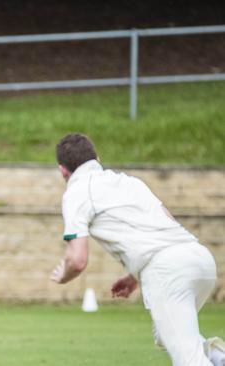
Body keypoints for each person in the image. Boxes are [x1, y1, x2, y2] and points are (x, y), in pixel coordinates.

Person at [49, 133, 225, 365]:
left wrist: (64, 274)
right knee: (166, 334)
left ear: (63, 170)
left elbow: (78, 259)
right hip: (199, 259)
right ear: (97, 159)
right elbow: (168, 222)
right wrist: (134, 275)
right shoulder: (129, 182)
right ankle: (218, 356)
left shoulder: (76, 192)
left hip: (167, 270)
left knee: (188, 359)